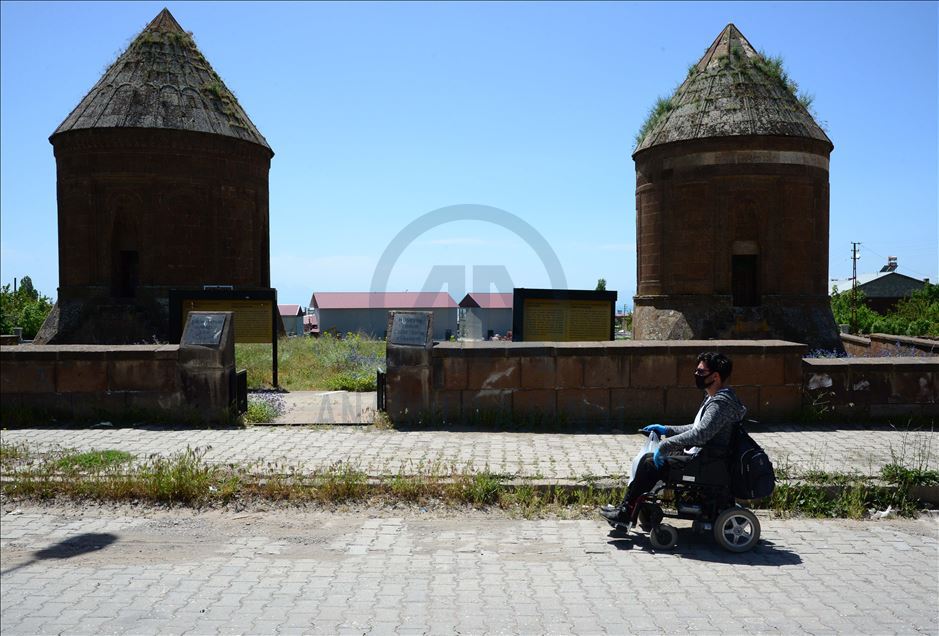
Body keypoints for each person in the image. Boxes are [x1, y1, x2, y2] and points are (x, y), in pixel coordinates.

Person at [600, 351, 747, 524]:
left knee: (650, 463)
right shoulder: (714, 397)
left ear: (715, 376)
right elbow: (697, 427)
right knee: (651, 460)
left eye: (701, 372)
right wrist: (665, 430)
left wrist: (666, 445)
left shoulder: (720, 403)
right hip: (705, 456)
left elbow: (700, 435)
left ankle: (626, 512)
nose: (696, 375)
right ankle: (628, 508)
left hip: (707, 461)